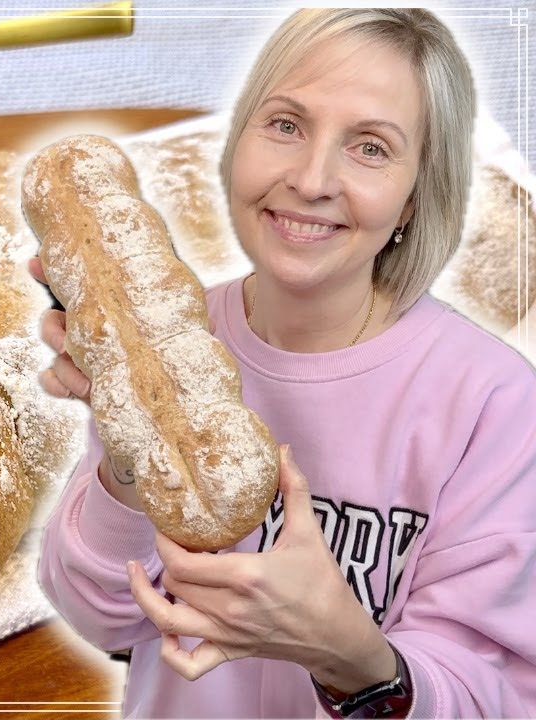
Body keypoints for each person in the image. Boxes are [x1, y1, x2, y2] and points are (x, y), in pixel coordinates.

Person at [31, 8, 536, 718]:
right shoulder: (171, 343)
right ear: (238, 142)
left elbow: (497, 700)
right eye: (286, 125)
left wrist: (349, 655)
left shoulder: (494, 404)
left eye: (370, 147)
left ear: (414, 199)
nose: (311, 178)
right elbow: (103, 618)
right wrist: (127, 463)